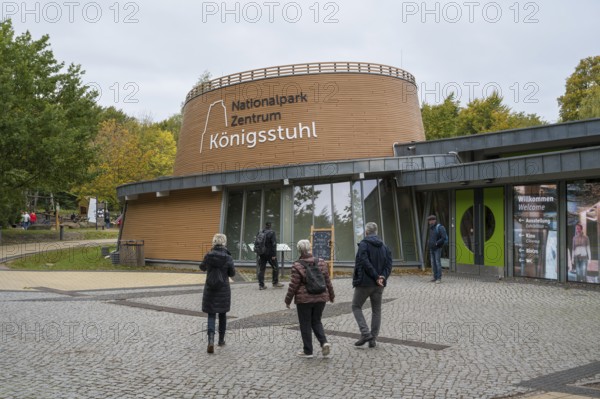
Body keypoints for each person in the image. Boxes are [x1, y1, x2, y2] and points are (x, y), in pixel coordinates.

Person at [284, 239, 335, 358]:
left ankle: (308, 351)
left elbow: (293, 285)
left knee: (305, 324)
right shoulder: (321, 262)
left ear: (299, 250)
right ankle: (324, 342)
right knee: (316, 321)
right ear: (310, 248)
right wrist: (331, 296)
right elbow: (328, 281)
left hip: (304, 300)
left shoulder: (297, 265)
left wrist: (288, 300)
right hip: (321, 298)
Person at [352, 222, 392, 348]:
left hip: (365, 282)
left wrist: (375, 276)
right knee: (376, 310)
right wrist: (382, 277)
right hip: (379, 284)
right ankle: (373, 339)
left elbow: (364, 261)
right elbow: (389, 265)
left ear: (366, 232)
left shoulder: (364, 244)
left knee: (356, 306)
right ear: (376, 231)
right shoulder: (384, 246)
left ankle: (365, 333)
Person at [200, 233, 236, 354]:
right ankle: (221, 340)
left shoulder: (208, 255)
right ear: (224, 242)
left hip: (210, 288)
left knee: (211, 314)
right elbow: (232, 274)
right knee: (222, 314)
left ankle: (210, 341)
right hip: (223, 289)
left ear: (214, 242)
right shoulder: (228, 257)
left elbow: (202, 267)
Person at [256, 222, 284, 290]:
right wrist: (274, 255)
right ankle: (275, 283)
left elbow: (257, 242)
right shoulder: (272, 232)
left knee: (261, 269)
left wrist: (258, 252)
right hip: (270, 254)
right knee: (275, 267)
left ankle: (261, 285)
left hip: (262, 253)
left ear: (265, 226)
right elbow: (274, 244)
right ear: (270, 226)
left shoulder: (260, 232)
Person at [428, 215, 447, 284]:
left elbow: (443, 237)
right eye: (429, 221)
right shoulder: (431, 228)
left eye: (430, 221)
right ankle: (435, 277)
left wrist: (436, 243)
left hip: (438, 248)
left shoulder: (440, 227)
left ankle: (439, 278)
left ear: (434, 220)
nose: (429, 222)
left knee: (437, 262)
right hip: (431, 248)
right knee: (433, 263)